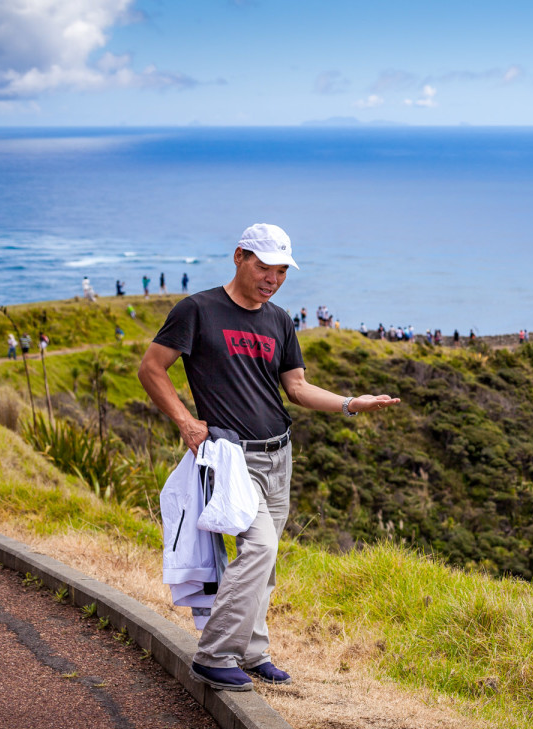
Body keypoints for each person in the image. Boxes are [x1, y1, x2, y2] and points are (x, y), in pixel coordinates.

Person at [138, 223, 401, 693]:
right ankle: (215, 655)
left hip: (279, 454)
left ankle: (253, 651)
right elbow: (151, 368)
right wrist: (184, 420)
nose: (272, 279)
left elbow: (296, 388)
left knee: (266, 560)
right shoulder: (197, 309)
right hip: (232, 459)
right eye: (264, 267)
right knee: (260, 548)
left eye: (281, 271)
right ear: (239, 256)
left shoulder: (279, 319)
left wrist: (349, 402)